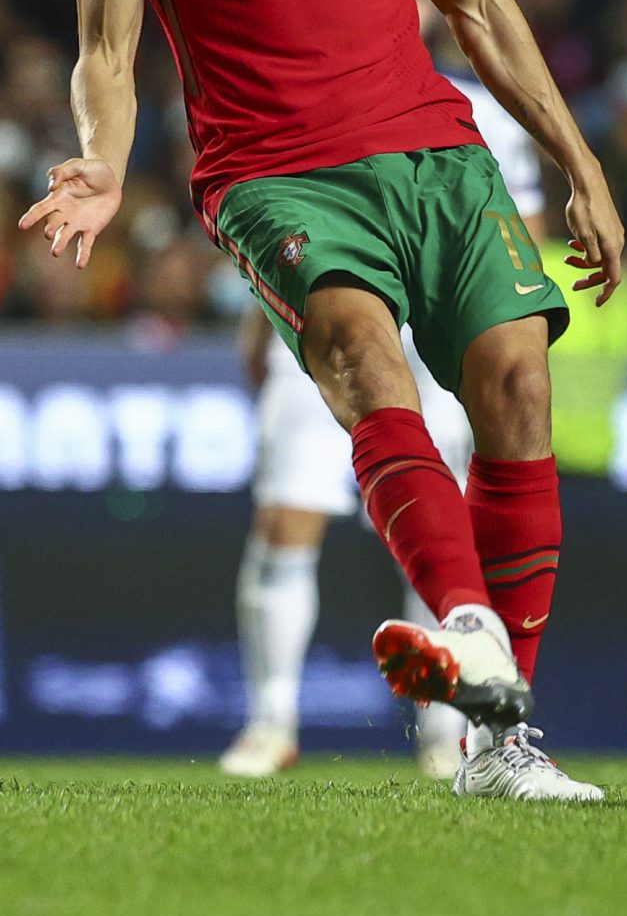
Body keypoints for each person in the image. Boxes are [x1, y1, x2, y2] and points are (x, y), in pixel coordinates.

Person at [19, 0, 625, 803]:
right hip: (278, 172)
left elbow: (476, 5)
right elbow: (107, 52)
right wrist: (100, 159)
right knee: (361, 357)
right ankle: (465, 627)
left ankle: (501, 745)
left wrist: (580, 162)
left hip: (432, 152)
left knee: (516, 380)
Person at [221, 55, 547, 781]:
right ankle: (270, 721)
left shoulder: (481, 106)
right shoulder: (306, 82)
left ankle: (444, 733)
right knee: (285, 515)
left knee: (440, 530)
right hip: (326, 314)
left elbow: (519, 228)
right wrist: (259, 325)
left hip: (430, 336)